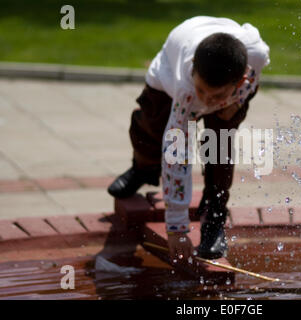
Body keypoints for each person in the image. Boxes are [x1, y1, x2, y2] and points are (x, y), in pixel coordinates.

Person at [107, 16, 270, 261]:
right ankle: (142, 168)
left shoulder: (254, 54)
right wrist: (176, 228)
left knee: (219, 145)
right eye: (202, 90)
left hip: (230, 91)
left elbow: (256, 74)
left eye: (215, 95)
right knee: (151, 127)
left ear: (239, 81)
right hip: (166, 79)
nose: (206, 100)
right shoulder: (184, 88)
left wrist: (238, 100)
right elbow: (177, 158)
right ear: (193, 67)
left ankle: (214, 217)